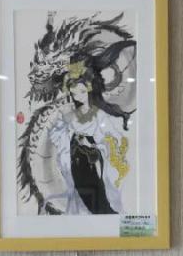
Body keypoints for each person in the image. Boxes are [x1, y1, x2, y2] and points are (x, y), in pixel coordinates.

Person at [45, 55, 133, 215]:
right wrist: (64, 123)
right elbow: (58, 136)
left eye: (81, 91)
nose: (77, 96)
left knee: (97, 202)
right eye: (74, 93)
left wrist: (93, 145)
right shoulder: (70, 114)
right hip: (75, 164)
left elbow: (114, 139)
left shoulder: (100, 115)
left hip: (93, 164)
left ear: (90, 89)